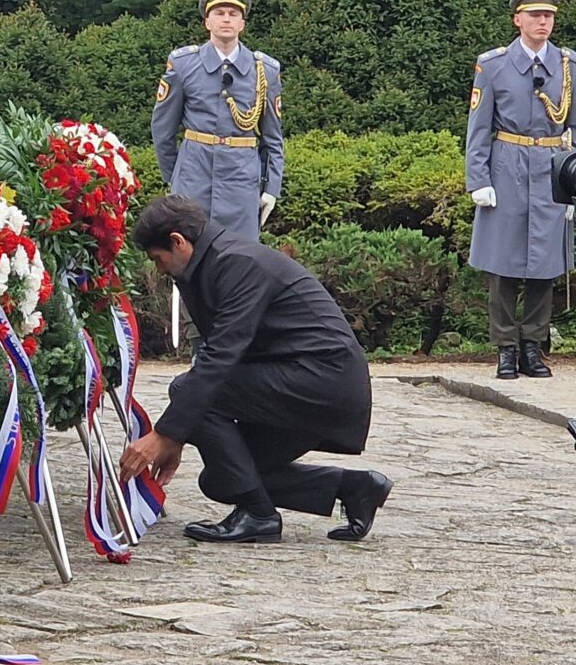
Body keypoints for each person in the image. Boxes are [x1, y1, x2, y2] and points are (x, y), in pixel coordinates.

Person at [118, 195, 391, 544]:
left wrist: (167, 433)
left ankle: (258, 515)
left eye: (159, 259)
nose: (159, 269)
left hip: (323, 381)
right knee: (221, 479)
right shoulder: (213, 263)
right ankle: (354, 488)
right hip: (304, 379)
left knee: (191, 390)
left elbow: (220, 358)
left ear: (178, 241)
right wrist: (177, 433)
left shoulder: (237, 264)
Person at [466, 0, 576, 380]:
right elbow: (478, 128)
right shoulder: (495, 64)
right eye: (536, 15)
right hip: (507, 164)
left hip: (553, 165)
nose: (543, 22)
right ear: (518, 18)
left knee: (545, 262)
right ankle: (505, 347)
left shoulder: (571, 66)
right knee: (503, 263)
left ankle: (533, 346)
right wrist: (478, 179)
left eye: (549, 15)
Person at [150, 0, 285, 241]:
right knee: (187, 256)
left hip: (241, 183)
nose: (226, 19)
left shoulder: (265, 71)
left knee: (240, 261)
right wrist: (174, 177)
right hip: (193, 178)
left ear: (242, 24)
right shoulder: (183, 65)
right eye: (219, 13)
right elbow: (163, 128)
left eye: (233, 14)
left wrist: (271, 188)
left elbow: (272, 137)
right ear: (207, 22)